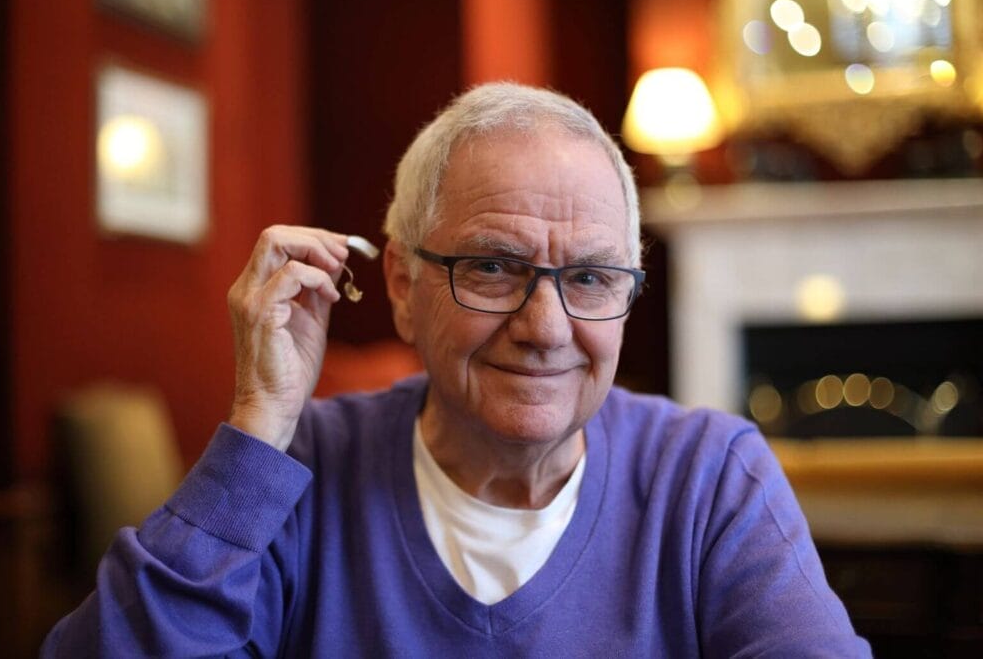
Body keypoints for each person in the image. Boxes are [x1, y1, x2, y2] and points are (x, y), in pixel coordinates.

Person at [43, 83, 870, 657]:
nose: (546, 329)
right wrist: (258, 419)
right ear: (402, 285)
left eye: (589, 277)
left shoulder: (710, 477)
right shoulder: (297, 470)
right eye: (493, 268)